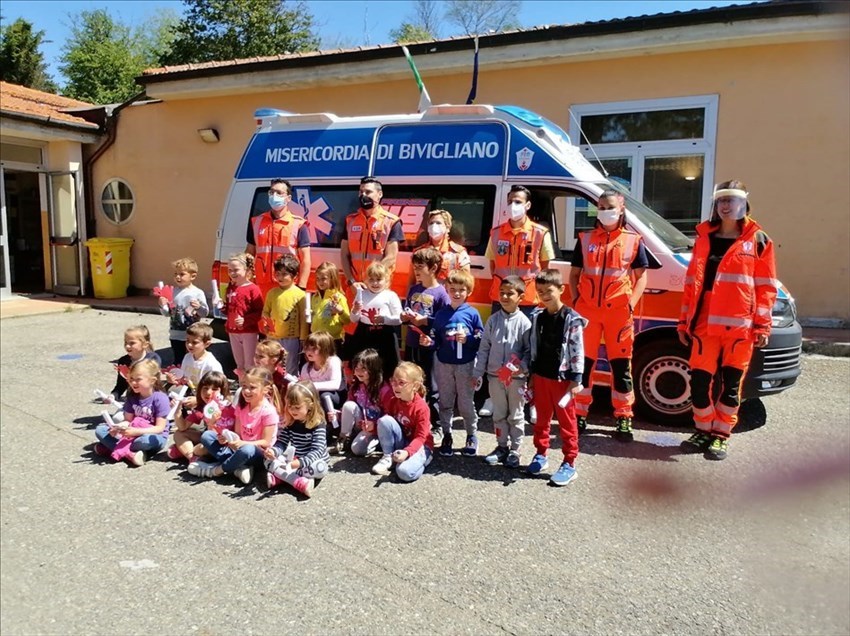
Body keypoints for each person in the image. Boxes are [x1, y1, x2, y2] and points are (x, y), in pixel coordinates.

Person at [677, 180, 777, 461]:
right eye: (721, 200)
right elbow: (691, 285)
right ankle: (703, 429)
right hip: (703, 324)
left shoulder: (759, 240)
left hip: (739, 327)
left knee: (731, 386)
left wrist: (762, 325)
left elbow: (766, 287)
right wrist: (684, 322)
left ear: (744, 203)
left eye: (731, 200)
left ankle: (720, 435)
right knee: (699, 383)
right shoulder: (703, 238)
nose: (725, 205)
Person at [568, 189, 648, 441]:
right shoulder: (585, 238)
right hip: (588, 312)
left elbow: (641, 277)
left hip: (619, 314)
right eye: (600, 207)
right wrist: (577, 300)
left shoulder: (633, 240)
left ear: (621, 207)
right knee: (584, 365)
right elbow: (574, 274)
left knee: (621, 367)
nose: (604, 211)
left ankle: (624, 418)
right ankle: (579, 413)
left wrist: (632, 304)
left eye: (609, 206)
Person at [527, 269, 586, 487]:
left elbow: (577, 349)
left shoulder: (572, 319)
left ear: (561, 290)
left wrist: (576, 379)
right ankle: (541, 454)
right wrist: (532, 374)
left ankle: (569, 462)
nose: (544, 295)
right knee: (541, 419)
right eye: (540, 291)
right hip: (542, 376)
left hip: (563, 380)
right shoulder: (538, 317)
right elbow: (534, 346)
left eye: (549, 291)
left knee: (567, 422)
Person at [419, 270, 484, 457]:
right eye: (453, 289)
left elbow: (481, 337)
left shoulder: (472, 313)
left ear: (468, 291)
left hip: (466, 364)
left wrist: (469, 339)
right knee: (445, 401)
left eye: (461, 290)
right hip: (443, 364)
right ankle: (447, 434)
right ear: (446, 289)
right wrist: (429, 343)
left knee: (465, 402)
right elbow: (435, 339)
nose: (456, 293)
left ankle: (471, 435)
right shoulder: (441, 314)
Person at [472, 276, 532, 469]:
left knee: (515, 415)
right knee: (499, 414)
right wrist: (478, 372)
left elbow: (529, 351)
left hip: (516, 380)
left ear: (521, 297)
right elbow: (484, 348)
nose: (505, 297)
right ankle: (501, 447)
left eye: (510, 293)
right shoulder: (492, 320)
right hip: (494, 377)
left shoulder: (525, 323)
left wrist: (521, 368)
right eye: (502, 293)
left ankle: (515, 450)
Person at [189, 367, 281, 484]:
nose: (246, 391)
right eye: (244, 386)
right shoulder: (242, 406)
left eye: (252, 387)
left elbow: (266, 442)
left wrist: (243, 444)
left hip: (257, 454)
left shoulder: (268, 412)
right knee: (207, 435)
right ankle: (238, 468)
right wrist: (225, 439)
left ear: (266, 389)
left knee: (247, 450)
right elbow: (237, 435)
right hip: (238, 449)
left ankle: (216, 470)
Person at [402, 247, 450, 441]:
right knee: (412, 383)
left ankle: (437, 425)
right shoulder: (414, 289)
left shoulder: (441, 293)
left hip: (429, 346)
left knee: (431, 385)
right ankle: (414, 421)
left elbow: (444, 322)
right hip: (412, 342)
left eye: (420, 267)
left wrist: (425, 321)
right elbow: (406, 312)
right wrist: (405, 316)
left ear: (434, 268)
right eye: (415, 267)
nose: (416, 270)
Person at [485, 185, 555, 315]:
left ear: (527, 205)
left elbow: (545, 268)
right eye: (510, 202)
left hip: (527, 300)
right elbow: (493, 264)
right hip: (501, 298)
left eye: (518, 202)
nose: (513, 205)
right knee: (499, 335)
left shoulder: (540, 233)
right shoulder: (496, 233)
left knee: (526, 335)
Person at [93, 359, 170, 466]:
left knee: (144, 441)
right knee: (100, 430)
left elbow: (159, 428)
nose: (133, 383)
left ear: (152, 380)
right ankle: (130, 454)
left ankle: (113, 449)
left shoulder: (160, 398)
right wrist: (118, 427)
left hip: (154, 436)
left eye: (138, 379)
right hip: (131, 434)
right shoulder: (132, 396)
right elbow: (127, 420)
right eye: (131, 379)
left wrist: (136, 432)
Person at [264, 381, 330, 497]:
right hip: (295, 460)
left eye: (297, 407)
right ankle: (299, 482)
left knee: (320, 468)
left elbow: (317, 450)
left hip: (312, 461)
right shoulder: (292, 422)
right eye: (290, 406)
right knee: (267, 461)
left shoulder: (318, 424)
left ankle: (282, 476)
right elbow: (282, 442)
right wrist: (273, 451)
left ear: (310, 405)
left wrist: (299, 463)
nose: (292, 411)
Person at [370, 362, 434, 482]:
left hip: (421, 444)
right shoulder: (394, 401)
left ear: (415, 386)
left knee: (404, 472)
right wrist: (372, 427)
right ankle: (388, 457)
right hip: (404, 441)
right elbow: (387, 425)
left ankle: (425, 459)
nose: (395, 386)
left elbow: (421, 437)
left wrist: (407, 452)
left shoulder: (422, 408)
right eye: (393, 381)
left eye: (401, 383)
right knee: (384, 420)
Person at [246, 178, 311, 294]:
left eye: (279, 193)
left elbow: (305, 259)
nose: (274, 196)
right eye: (271, 192)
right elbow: (249, 253)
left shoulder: (299, 224)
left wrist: (301, 287)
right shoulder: (257, 222)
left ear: (288, 198)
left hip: (288, 287)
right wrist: (246, 280)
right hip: (261, 286)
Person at [339, 176, 404, 288]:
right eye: (361, 192)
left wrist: (371, 279)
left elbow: (391, 257)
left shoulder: (391, 222)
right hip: (355, 287)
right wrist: (351, 281)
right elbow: (344, 254)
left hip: (378, 286)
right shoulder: (350, 220)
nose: (363, 195)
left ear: (380, 194)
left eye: (368, 192)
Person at [347, 262, 403, 381]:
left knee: (388, 366)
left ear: (386, 280)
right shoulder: (361, 293)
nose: (375, 283)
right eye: (371, 279)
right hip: (364, 334)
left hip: (385, 335)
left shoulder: (391, 295)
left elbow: (399, 319)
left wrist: (384, 319)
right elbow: (354, 319)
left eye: (378, 279)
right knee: (365, 365)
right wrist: (355, 310)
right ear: (366, 280)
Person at [168, 371, 232, 463]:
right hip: (208, 437)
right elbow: (183, 427)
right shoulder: (202, 406)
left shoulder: (228, 407)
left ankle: (184, 451)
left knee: (202, 448)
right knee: (178, 434)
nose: (208, 392)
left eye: (214, 389)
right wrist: (177, 410)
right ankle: (192, 458)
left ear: (223, 391)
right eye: (205, 388)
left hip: (223, 441)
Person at [338, 348, 393, 457]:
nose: (358, 372)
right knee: (348, 405)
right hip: (361, 423)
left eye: (363, 369)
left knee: (357, 449)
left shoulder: (384, 390)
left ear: (373, 369)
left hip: (375, 429)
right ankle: (344, 438)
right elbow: (350, 407)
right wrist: (338, 415)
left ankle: (380, 442)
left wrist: (375, 425)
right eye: (356, 368)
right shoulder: (356, 386)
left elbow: (390, 415)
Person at [261, 254, 309, 376]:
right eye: (277, 273)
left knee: (289, 368)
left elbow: (304, 319)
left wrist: (303, 338)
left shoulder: (300, 295)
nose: (280, 277)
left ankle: (288, 391)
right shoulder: (272, 293)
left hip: (291, 339)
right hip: (273, 337)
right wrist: (266, 325)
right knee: (270, 366)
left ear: (295, 276)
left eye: (284, 274)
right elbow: (266, 311)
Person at [158, 257, 209, 366]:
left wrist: (199, 307)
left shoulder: (197, 293)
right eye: (176, 274)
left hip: (191, 335)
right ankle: (179, 379)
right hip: (175, 334)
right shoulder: (172, 291)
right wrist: (162, 305)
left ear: (193, 276)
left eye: (182, 274)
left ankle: (192, 377)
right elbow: (167, 313)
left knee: (192, 359)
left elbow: (205, 313)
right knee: (178, 360)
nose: (177, 277)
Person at [219, 253, 264, 376]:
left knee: (250, 363)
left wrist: (246, 320)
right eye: (230, 270)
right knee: (239, 364)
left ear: (246, 270)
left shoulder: (253, 289)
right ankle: (242, 386)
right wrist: (222, 307)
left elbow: (260, 311)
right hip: (233, 331)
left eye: (236, 270)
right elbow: (229, 309)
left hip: (248, 331)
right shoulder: (230, 288)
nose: (232, 273)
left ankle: (251, 386)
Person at [96, 325, 162, 406]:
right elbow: (121, 384)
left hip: (153, 400)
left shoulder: (153, 359)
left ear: (145, 344)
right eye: (126, 342)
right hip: (133, 400)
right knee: (117, 418)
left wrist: (130, 376)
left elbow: (153, 383)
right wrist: (113, 396)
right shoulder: (123, 361)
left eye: (132, 343)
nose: (127, 346)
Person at [299, 331, 346, 438]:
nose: (308, 352)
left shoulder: (333, 361)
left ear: (325, 349)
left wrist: (311, 386)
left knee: (325, 395)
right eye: (307, 348)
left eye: (313, 349)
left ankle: (334, 426)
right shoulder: (306, 367)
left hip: (336, 397)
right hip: (315, 398)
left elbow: (335, 384)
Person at [412, 209, 471, 283]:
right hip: (423, 294)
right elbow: (411, 281)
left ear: (447, 227)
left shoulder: (458, 253)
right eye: (431, 223)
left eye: (438, 223)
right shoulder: (418, 252)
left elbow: (466, 282)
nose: (434, 226)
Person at [166, 322, 223, 391]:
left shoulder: (211, 364)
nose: (189, 345)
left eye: (194, 342)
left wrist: (197, 399)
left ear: (207, 344)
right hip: (189, 392)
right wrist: (173, 379)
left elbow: (218, 388)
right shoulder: (187, 357)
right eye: (187, 341)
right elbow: (184, 379)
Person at [310, 261, 350, 353]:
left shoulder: (339, 297)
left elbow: (347, 320)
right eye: (318, 278)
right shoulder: (315, 297)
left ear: (333, 279)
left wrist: (340, 311)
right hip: (316, 339)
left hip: (332, 340)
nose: (320, 282)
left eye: (324, 279)